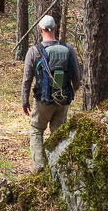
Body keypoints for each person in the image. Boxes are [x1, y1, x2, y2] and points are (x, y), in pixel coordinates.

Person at [20, 14, 77, 169]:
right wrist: (73, 92)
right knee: (58, 134)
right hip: (63, 99)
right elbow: (76, 76)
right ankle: (57, 168)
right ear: (56, 28)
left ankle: (39, 167)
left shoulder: (34, 51)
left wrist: (24, 101)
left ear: (40, 30)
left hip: (42, 100)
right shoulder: (68, 49)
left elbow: (26, 79)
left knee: (37, 130)